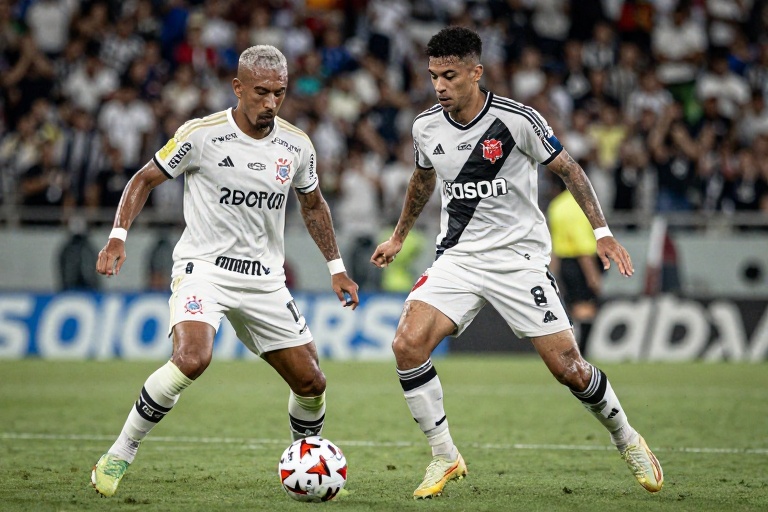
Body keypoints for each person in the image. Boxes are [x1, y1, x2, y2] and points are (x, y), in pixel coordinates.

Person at [370, 27, 663, 499]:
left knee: (568, 367)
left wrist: (603, 234)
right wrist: (399, 236)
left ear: (475, 73)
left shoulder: (517, 120)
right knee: (407, 344)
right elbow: (421, 179)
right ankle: (444, 455)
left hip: (518, 260)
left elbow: (569, 169)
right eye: (432, 77)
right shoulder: (425, 125)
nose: (440, 86)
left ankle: (628, 439)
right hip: (458, 258)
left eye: (449, 76)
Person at [90, 45, 359, 497]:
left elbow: (312, 204)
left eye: (279, 93)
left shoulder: (296, 145)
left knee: (312, 381)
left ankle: (308, 466)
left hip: (264, 280)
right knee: (192, 359)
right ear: (238, 88)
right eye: (261, 92)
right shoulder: (201, 135)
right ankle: (119, 454)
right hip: (204, 271)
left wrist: (336, 267)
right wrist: (118, 235)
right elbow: (143, 179)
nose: (271, 103)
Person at [547, 179, 603, 351]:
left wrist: (552, 271)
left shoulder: (556, 205)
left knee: (571, 306)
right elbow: (582, 246)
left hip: (564, 263)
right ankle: (581, 352)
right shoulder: (579, 205)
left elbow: (554, 241)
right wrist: (592, 275)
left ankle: (573, 348)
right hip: (581, 263)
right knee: (585, 307)